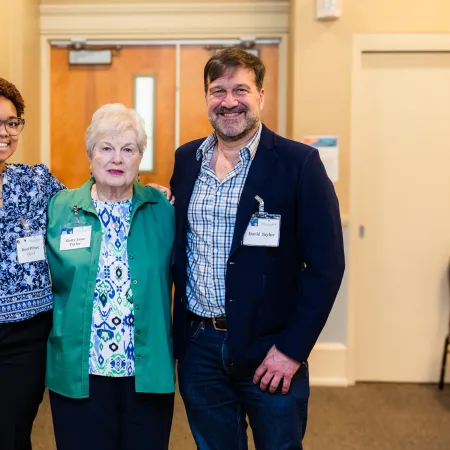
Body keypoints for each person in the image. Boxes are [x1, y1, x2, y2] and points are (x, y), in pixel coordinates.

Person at [170, 48, 345, 449]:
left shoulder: (299, 164)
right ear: (207, 98)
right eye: (218, 91)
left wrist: (292, 349)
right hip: (199, 348)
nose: (229, 101)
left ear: (261, 96)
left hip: (271, 349)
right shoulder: (186, 160)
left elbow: (327, 266)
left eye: (240, 90)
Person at [45, 103, 175, 450]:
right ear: (90, 155)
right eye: (106, 148)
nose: (117, 158)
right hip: (78, 371)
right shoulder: (58, 207)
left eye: (128, 149)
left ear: (139, 157)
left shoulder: (164, 209)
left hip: (146, 375)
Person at [0, 78, 65, 450]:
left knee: (11, 432)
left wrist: (141, 192)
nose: (6, 133)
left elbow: (85, 207)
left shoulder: (35, 181)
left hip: (26, 336)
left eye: (12, 122)